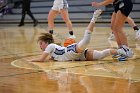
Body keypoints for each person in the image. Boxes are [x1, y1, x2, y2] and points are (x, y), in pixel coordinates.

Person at [29, 9, 129, 62]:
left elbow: (41, 60)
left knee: (86, 41)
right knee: (101, 55)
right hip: (77, 57)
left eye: (41, 43)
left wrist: (31, 60)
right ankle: (121, 51)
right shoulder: (52, 53)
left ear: (47, 43)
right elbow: (54, 58)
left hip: (71, 51)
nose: (40, 46)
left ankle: (94, 17)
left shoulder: (50, 47)